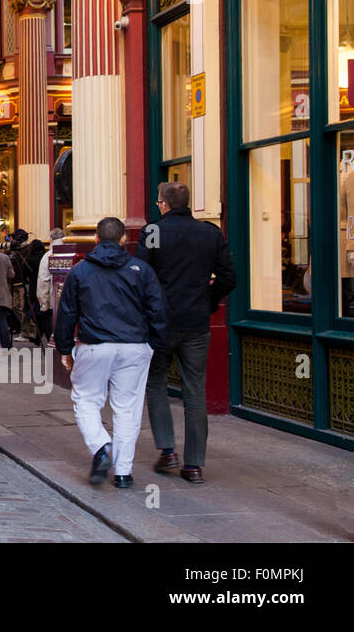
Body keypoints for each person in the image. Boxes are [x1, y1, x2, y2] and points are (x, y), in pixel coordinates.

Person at [55, 217, 169, 489]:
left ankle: (101, 446)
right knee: (127, 408)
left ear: (95, 239)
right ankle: (123, 472)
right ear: (123, 240)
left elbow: (67, 313)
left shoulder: (80, 272)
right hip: (134, 346)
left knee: (86, 400)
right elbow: (157, 310)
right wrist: (156, 344)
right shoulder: (141, 269)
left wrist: (64, 348)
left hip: (94, 345)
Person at [136, 181, 237, 485]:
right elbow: (229, 277)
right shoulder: (209, 232)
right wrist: (207, 301)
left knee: (156, 382)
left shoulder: (153, 232)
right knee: (195, 392)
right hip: (195, 322)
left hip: (161, 322)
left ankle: (167, 449)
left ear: (164, 204)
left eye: (158, 203)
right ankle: (194, 465)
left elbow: (141, 276)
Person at [36, 228, 66, 343]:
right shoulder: (69, 252)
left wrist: (44, 303)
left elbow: (43, 280)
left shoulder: (48, 255)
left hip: (54, 300)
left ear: (51, 239)